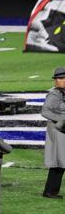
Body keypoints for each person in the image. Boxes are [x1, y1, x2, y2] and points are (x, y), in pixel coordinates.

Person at [42, 67, 65, 199]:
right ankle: (50, 191)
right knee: (59, 162)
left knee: (61, 162)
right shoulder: (54, 94)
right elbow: (45, 111)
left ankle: (51, 191)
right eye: (61, 78)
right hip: (59, 131)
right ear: (55, 81)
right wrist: (61, 120)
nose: (64, 81)